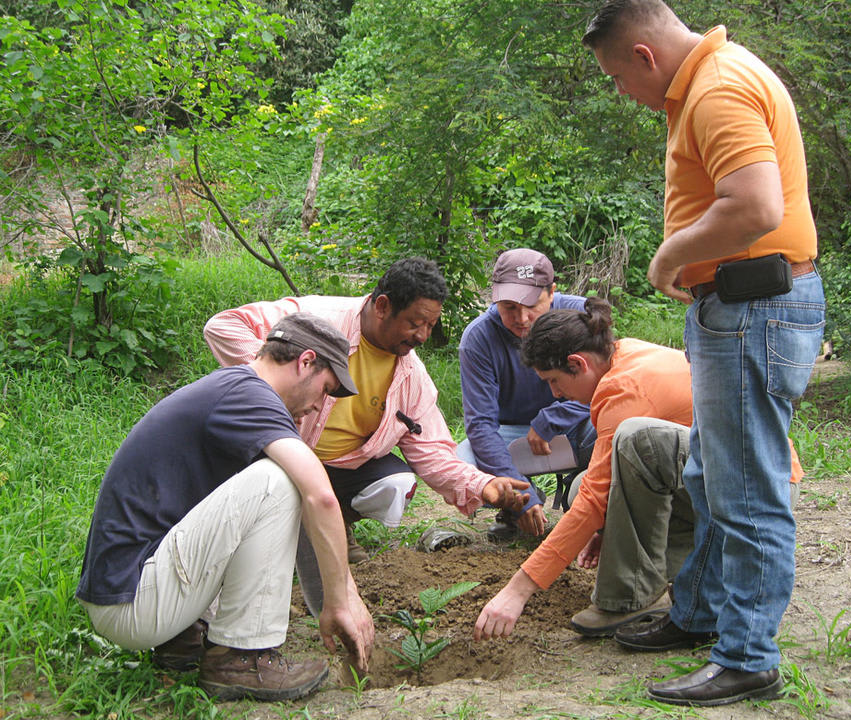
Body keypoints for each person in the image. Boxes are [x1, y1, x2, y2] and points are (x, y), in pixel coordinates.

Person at [582, 0, 826, 707]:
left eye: (616, 78)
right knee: (712, 474)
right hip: (736, 308)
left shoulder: (717, 89)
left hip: (754, 310)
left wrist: (669, 256)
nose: (621, 93)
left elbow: (755, 206)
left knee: (746, 489)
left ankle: (748, 657)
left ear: (644, 57)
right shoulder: (707, 83)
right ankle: (700, 615)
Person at [76, 313, 374, 702]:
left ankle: (185, 640)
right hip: (133, 601)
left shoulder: (236, 391)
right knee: (280, 480)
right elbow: (319, 496)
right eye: (325, 389)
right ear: (305, 362)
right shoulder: (251, 396)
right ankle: (242, 657)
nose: (320, 407)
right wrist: (338, 603)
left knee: (276, 480)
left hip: (131, 593)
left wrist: (344, 591)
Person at [203, 258, 528, 610]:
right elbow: (223, 325)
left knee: (397, 484)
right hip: (282, 455)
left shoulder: (410, 375)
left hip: (344, 466)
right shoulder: (316, 321)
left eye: (430, 326)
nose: (422, 336)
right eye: (415, 323)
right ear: (383, 306)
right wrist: (279, 379)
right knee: (263, 528)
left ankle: (337, 519)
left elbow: (432, 450)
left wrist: (481, 484)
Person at [472, 298, 696, 639]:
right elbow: (599, 490)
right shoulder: (622, 354)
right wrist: (610, 529)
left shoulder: (623, 389)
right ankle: (674, 574)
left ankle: (631, 598)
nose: (555, 393)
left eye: (553, 381)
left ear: (578, 363)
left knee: (634, 441)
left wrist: (517, 590)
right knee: (580, 489)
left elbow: (598, 499)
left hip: (746, 493)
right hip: (702, 484)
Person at [457, 248, 595, 539]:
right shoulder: (478, 338)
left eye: (531, 304)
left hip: (575, 424)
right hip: (512, 432)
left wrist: (551, 419)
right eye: (508, 307)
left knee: (615, 425)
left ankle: (584, 500)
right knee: (463, 458)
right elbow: (481, 426)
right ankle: (516, 507)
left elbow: (606, 387)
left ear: (552, 291)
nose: (521, 317)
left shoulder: (581, 316)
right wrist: (521, 493)